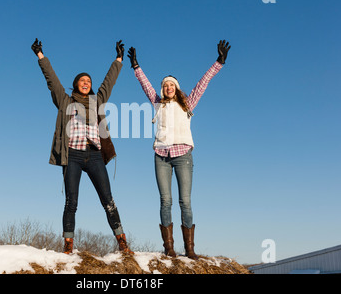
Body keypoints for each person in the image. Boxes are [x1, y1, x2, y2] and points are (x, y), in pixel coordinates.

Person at [127, 40, 231, 259]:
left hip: (183, 155)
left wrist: (218, 62)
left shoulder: (188, 104)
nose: (168, 88)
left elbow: (203, 83)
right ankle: (169, 247)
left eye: (171, 85)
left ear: (176, 88)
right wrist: (136, 66)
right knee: (166, 201)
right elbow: (145, 85)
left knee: (185, 201)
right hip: (161, 156)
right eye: (165, 85)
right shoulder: (157, 103)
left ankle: (190, 249)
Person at [31, 38, 133, 255]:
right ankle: (68, 244)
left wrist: (118, 59)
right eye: (82, 80)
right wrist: (41, 56)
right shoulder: (66, 102)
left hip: (95, 155)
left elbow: (109, 82)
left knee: (108, 200)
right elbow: (52, 80)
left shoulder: (98, 101)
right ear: (76, 84)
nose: (86, 82)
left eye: (88, 80)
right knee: (71, 201)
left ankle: (122, 241)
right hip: (73, 157)